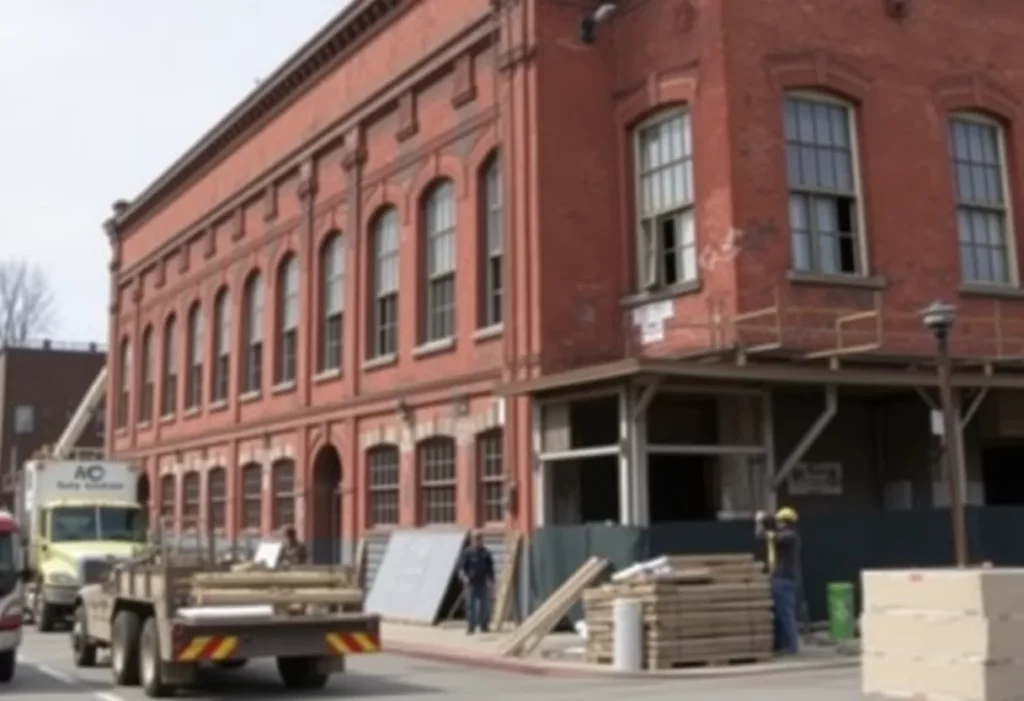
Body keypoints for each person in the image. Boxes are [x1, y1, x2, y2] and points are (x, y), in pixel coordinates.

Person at [755, 506, 801, 655]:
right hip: (778, 578)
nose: (778, 523)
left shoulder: (789, 537)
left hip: (783, 580)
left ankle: (791, 647)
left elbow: (762, 535)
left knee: (786, 614)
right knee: (779, 615)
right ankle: (782, 645)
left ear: (785, 522)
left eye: (780, 521)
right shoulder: (785, 535)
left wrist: (759, 521)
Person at [459, 531, 495, 635]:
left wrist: (492, 581)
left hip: (483, 583)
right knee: (471, 606)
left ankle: (484, 626)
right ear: (472, 541)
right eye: (476, 539)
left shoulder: (486, 553)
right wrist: (464, 577)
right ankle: (471, 627)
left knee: (485, 606)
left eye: (480, 539)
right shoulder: (467, 553)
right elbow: (461, 568)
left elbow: (490, 569)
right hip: (471, 584)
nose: (478, 541)